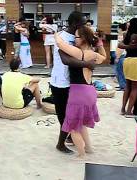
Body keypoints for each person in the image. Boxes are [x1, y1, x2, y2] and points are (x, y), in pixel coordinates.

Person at [55, 25, 106, 158]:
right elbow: (104, 57)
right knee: (81, 123)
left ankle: (81, 154)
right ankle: (88, 148)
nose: (74, 39)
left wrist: (56, 33)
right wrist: (99, 43)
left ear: (83, 38)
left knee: (73, 127)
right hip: (89, 91)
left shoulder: (81, 54)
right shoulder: (93, 53)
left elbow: (60, 44)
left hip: (79, 93)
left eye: (76, 37)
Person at [50, 11, 96, 154]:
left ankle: (70, 137)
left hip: (74, 84)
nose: (85, 26)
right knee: (64, 116)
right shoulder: (62, 38)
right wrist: (86, 64)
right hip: (60, 82)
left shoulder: (80, 37)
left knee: (72, 115)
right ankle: (60, 144)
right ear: (75, 24)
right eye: (83, 23)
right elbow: (66, 60)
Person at [114, 23, 128, 91]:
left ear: (120, 28)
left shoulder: (121, 35)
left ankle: (123, 86)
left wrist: (117, 57)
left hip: (121, 55)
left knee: (119, 71)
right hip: (122, 55)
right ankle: (121, 85)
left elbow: (120, 48)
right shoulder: (125, 34)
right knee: (120, 71)